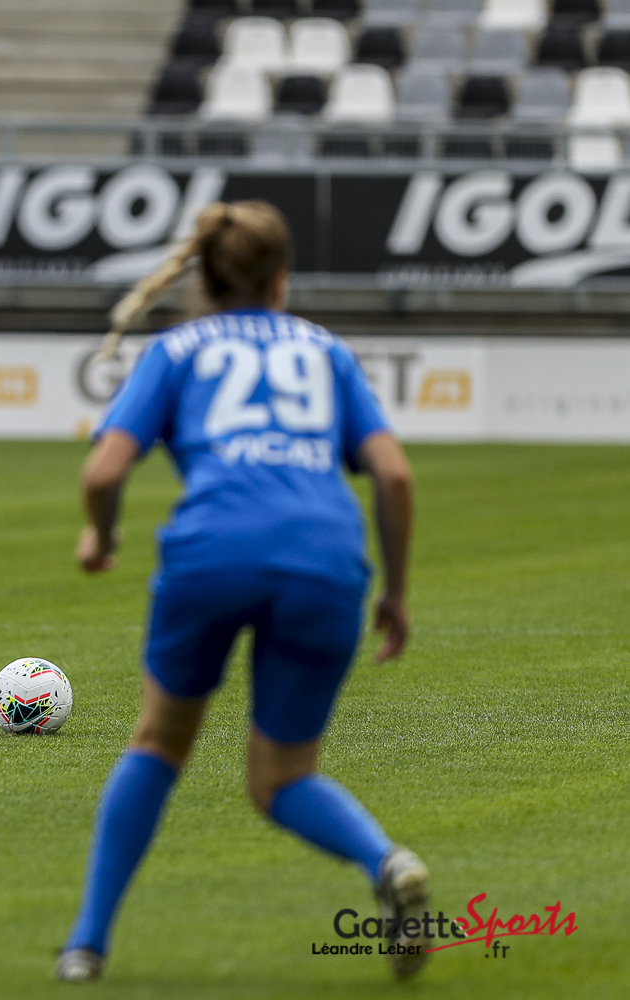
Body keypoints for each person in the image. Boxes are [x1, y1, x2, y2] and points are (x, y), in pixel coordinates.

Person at [55, 201, 429, 983]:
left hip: (213, 554)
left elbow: (103, 472)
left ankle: (86, 945)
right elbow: (393, 475)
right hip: (326, 560)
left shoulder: (176, 348)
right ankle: (387, 862)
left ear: (203, 277)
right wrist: (395, 592)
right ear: (281, 280)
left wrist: (101, 537)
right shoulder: (325, 350)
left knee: (159, 743)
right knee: (283, 776)